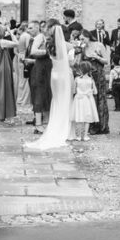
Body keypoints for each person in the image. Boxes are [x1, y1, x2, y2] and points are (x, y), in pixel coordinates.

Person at [25, 20, 73, 150]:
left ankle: (53, 124)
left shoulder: (49, 45)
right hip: (63, 75)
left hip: (54, 75)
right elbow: (71, 53)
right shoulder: (64, 46)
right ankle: (63, 126)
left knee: (55, 100)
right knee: (63, 100)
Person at [76, 29, 111, 135]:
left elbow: (106, 61)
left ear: (88, 37)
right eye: (80, 39)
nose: (82, 40)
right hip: (88, 77)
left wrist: (96, 57)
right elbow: (78, 63)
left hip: (98, 75)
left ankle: (102, 126)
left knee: (100, 98)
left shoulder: (98, 45)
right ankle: (91, 125)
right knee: (90, 100)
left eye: (83, 38)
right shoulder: (82, 48)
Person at [26, 20, 53, 133]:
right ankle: (38, 124)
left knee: (48, 94)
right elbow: (33, 51)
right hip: (40, 68)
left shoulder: (51, 38)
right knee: (39, 94)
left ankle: (47, 121)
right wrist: (47, 52)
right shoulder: (40, 37)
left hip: (49, 68)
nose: (46, 29)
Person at [70, 61, 99, 142]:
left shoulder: (77, 79)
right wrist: (90, 91)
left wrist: (79, 91)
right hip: (88, 100)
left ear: (81, 70)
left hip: (79, 100)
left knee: (79, 117)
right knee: (87, 118)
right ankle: (85, 135)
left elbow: (73, 91)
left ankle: (78, 136)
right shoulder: (91, 79)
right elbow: (96, 92)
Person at [14, 20, 32, 110]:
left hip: (19, 57)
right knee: (25, 80)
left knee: (21, 79)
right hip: (24, 57)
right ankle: (25, 100)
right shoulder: (27, 36)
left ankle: (20, 98)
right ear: (26, 28)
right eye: (29, 27)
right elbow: (29, 48)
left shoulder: (21, 36)